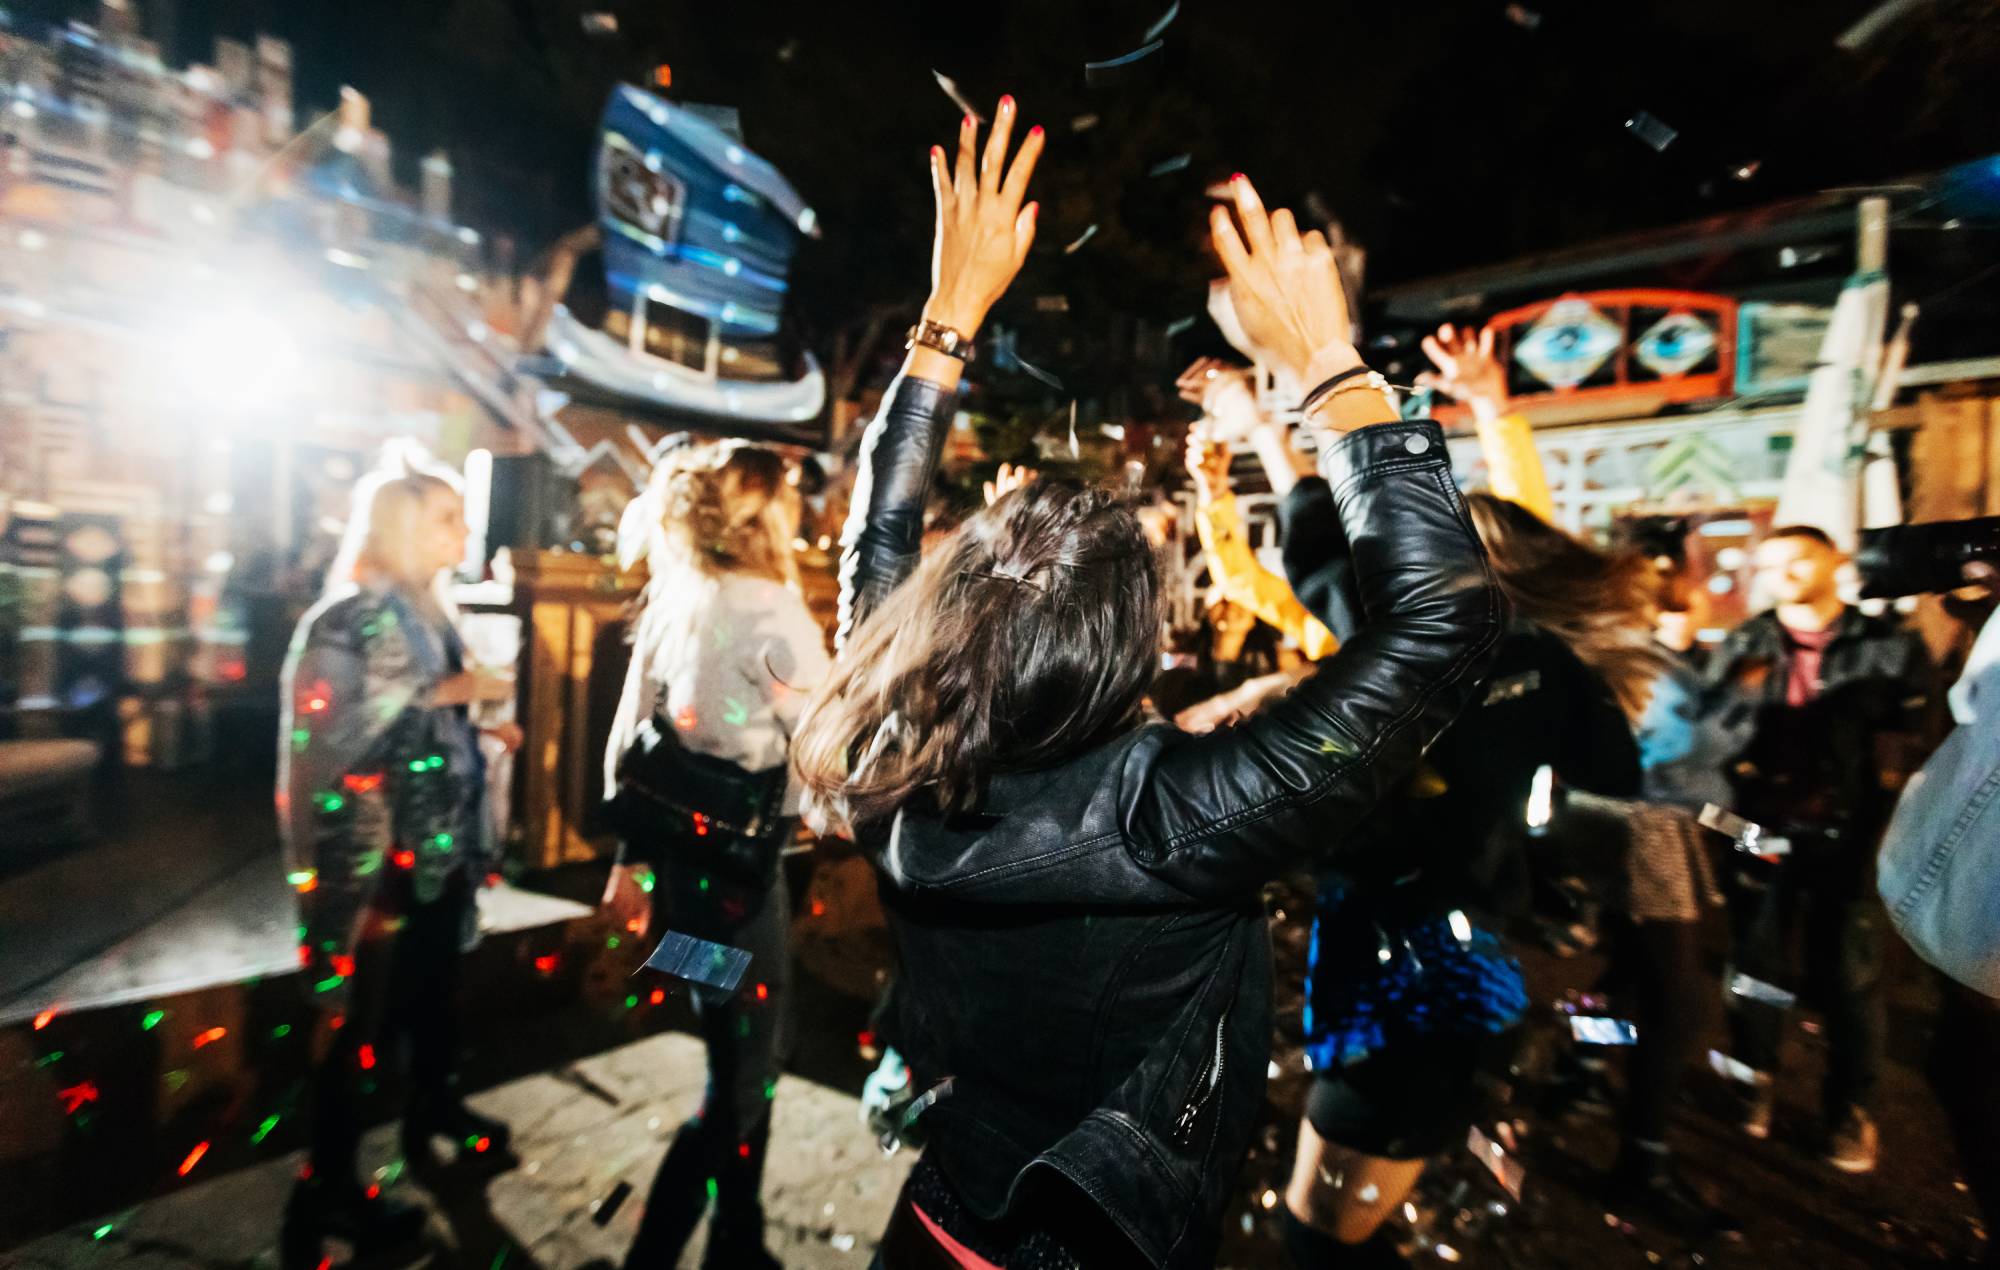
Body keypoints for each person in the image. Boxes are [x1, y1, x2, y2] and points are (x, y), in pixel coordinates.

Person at [793, 96, 1505, 1269]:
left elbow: (875, 544)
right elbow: (1446, 623)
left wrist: (944, 318)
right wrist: (1326, 364)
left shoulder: (888, 746)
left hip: (940, 1218)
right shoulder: (1177, 816)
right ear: (1132, 647)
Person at [276, 443, 516, 1268]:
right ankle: (326, 1191)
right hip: (372, 866)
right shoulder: (347, 618)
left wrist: (478, 727)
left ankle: (432, 1114)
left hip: (432, 850)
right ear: (406, 527)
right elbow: (339, 734)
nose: (463, 532)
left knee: (430, 999)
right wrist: (461, 695)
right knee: (355, 1028)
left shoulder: (425, 609)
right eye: (447, 518)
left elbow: (417, 725)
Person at [600, 439, 831, 1270]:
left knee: (736, 1051)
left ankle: (740, 1239)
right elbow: (826, 749)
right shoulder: (767, 609)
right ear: (763, 509)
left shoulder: (680, 597)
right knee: (747, 1071)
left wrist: (628, 862)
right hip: (741, 887)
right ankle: (661, 1254)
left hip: (682, 892)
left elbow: (631, 740)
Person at [1705, 524, 1935, 1173]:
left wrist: (1890, 836)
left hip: (1853, 837)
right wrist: (1726, 830)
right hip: (1758, 831)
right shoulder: (1746, 641)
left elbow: (1916, 745)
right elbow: (1711, 747)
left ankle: (1849, 1112)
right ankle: (1753, 1081)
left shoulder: (1887, 645)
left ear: (1833, 563)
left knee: (1850, 977)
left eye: (1796, 560)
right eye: (1770, 563)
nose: (1781, 574)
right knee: (1755, 965)